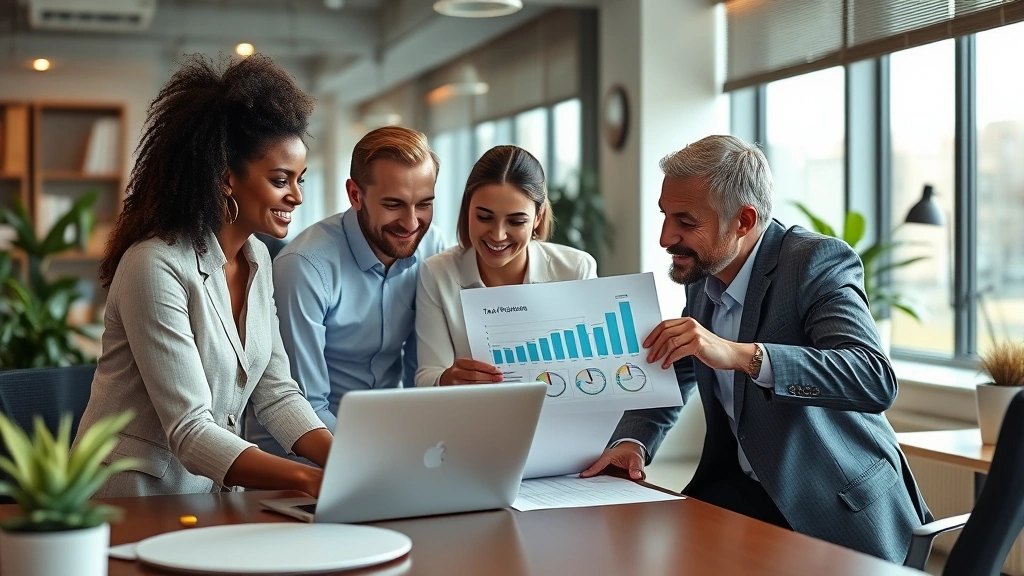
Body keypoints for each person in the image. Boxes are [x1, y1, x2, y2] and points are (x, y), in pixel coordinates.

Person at [581, 135, 931, 562]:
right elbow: (677, 362)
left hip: (831, 505)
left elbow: (873, 377)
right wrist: (633, 442)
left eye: (685, 222)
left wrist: (741, 355)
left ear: (743, 221)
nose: (665, 237)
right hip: (741, 496)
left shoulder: (814, 262)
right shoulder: (704, 274)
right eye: (664, 215)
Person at [77, 54, 332, 498]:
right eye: (280, 180)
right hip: (131, 499)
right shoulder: (154, 265)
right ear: (227, 179)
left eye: (300, 180)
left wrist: (347, 461)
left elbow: (277, 394)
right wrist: (308, 478)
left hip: (208, 497)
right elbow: (190, 428)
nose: (296, 196)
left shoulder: (258, 259)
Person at [245, 126, 447, 456]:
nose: (411, 223)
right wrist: (386, 459)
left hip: (390, 448)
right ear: (355, 195)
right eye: (394, 204)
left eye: (424, 204)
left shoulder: (432, 247)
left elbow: (421, 379)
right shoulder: (304, 266)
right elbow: (305, 408)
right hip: (302, 459)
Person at [415, 145, 596, 387]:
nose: (498, 235)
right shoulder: (437, 273)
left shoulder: (576, 270)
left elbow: (598, 364)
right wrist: (448, 379)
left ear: (538, 217)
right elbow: (427, 377)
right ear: (467, 209)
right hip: (476, 409)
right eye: (484, 217)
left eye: (516, 221)